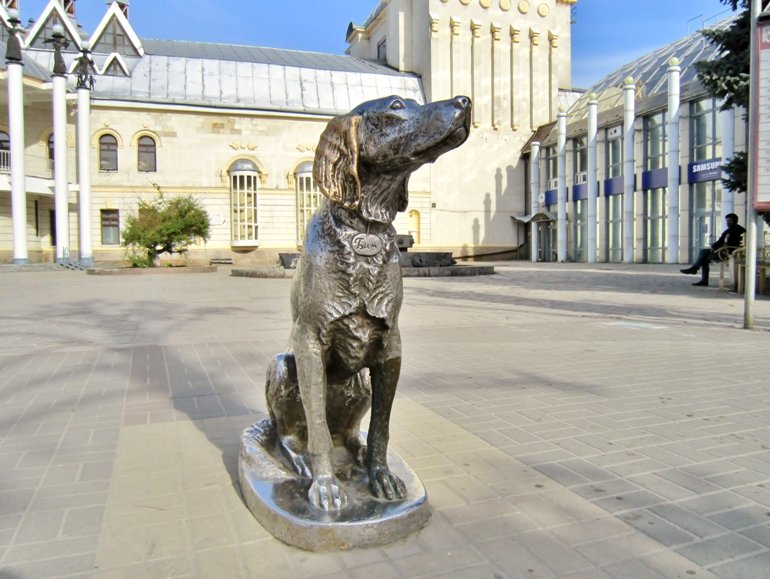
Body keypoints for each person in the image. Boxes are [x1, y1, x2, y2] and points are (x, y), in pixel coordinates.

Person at [680, 213, 746, 286]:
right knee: (704, 251)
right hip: (723, 251)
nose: (728, 222)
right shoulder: (729, 230)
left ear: (735, 221)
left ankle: (698, 272)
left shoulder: (739, 230)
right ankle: (696, 270)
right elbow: (720, 241)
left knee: (704, 259)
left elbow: (732, 244)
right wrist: (714, 247)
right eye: (727, 221)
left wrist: (717, 247)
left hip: (730, 253)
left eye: (730, 220)